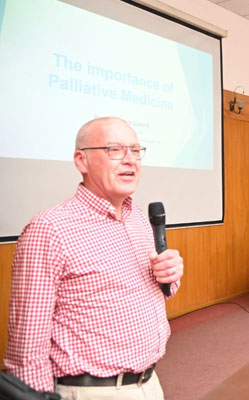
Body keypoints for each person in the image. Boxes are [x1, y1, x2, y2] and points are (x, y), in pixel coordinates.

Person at [5, 117, 184, 399]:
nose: (130, 160)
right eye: (115, 149)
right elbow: (27, 347)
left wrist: (170, 275)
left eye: (136, 150)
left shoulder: (138, 218)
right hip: (91, 391)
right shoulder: (50, 229)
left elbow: (154, 290)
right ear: (81, 161)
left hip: (149, 383)